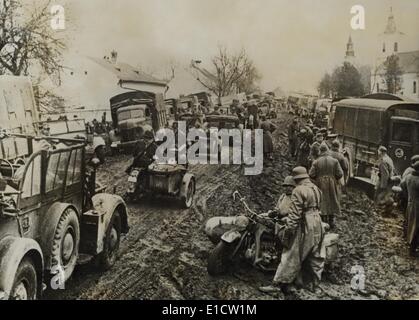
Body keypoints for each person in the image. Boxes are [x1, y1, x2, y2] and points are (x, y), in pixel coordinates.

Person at [259, 167, 325, 295]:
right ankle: (315, 286)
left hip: (305, 223)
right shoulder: (316, 189)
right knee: (316, 256)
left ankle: (276, 285)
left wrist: (288, 232)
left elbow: (294, 216)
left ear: (296, 179)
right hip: (318, 222)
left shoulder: (298, 190)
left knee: (291, 255)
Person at [309, 144, 344, 228]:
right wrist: (333, 178)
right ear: (328, 151)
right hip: (332, 182)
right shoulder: (334, 161)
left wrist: (317, 179)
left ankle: (323, 220)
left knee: (321, 200)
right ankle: (331, 221)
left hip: (319, 183)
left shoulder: (316, 161)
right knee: (332, 199)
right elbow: (340, 173)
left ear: (320, 151)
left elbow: (311, 174)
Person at [401, 160, 419, 256]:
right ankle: (412, 250)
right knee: (416, 227)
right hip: (417, 207)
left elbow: (402, 185)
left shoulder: (409, 177)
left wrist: (407, 196)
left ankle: (407, 240)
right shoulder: (417, 180)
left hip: (410, 203)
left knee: (409, 223)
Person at [375, 146, 395, 216]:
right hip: (389, 181)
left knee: (378, 196)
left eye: (378, 151)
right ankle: (385, 211)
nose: (378, 152)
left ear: (381, 152)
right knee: (385, 196)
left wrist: (383, 186)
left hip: (384, 181)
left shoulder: (383, 161)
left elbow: (385, 174)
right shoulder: (389, 159)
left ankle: (377, 211)